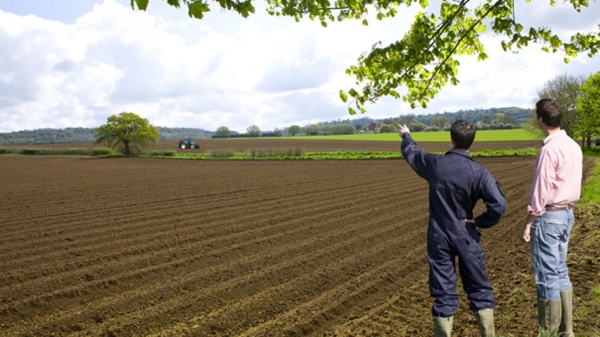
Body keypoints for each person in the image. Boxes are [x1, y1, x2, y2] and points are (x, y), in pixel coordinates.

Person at [399, 120, 506, 337]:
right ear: (471, 142)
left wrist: (406, 135)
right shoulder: (478, 172)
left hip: (439, 236)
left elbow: (413, 154)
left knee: (443, 294)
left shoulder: (436, 164)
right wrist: (480, 221)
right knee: (479, 290)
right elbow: (499, 204)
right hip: (466, 233)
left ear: (452, 139)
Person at [519, 99, 582, 336]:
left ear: (541, 120)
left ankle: (548, 333)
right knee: (559, 270)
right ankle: (567, 331)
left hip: (550, 216)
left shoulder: (549, 149)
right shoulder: (573, 145)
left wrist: (528, 223)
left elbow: (541, 190)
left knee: (546, 275)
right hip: (567, 214)